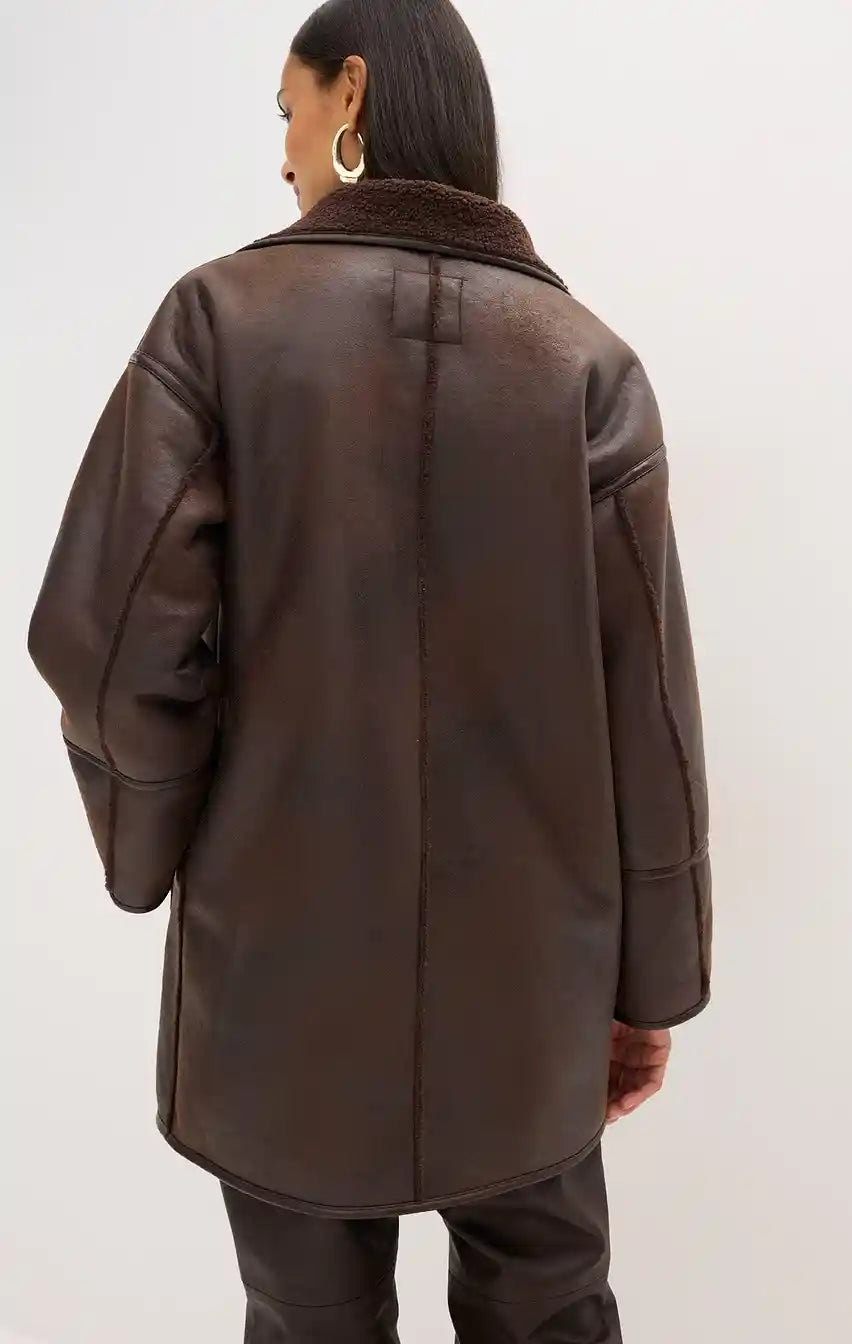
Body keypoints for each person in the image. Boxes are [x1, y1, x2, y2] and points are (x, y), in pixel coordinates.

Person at [25, 0, 713, 1338]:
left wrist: (160, 847)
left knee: (308, 1317)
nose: (281, 152)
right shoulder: (589, 367)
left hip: (279, 966)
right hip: (533, 983)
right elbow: (653, 716)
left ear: (350, 96)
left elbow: (104, 647)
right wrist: (650, 985)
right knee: (549, 1304)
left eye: (287, 111)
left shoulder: (217, 323)